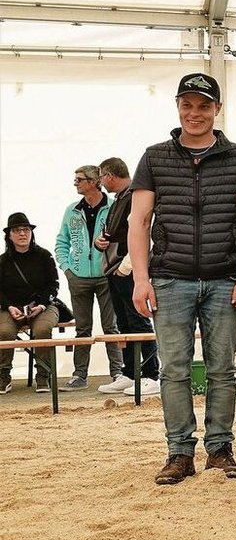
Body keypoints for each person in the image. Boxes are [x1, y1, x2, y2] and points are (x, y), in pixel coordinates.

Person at [128, 72, 236, 485]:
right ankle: (179, 452)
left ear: (217, 110)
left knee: (222, 369)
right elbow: (139, 220)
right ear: (178, 107)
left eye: (204, 105)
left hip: (225, 279)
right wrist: (140, 278)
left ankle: (220, 449)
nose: (195, 113)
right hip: (169, 279)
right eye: (187, 104)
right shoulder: (154, 157)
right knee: (174, 370)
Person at [54, 164, 124, 391]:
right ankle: (79, 375)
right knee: (82, 328)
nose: (76, 183)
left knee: (111, 326)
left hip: (107, 275)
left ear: (95, 182)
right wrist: (67, 269)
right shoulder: (71, 210)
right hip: (79, 277)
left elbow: (125, 239)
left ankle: (118, 374)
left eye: (80, 179)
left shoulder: (114, 206)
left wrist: (115, 265)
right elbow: (61, 242)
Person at [96, 157, 158, 394]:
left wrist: (129, 265)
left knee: (138, 320)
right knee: (123, 322)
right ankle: (131, 373)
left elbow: (146, 231)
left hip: (129, 269)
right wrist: (102, 241)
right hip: (115, 269)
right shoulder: (119, 199)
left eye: (102, 177)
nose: (102, 182)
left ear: (109, 176)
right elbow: (116, 232)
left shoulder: (136, 196)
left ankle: (152, 373)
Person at [0, 213, 60, 394]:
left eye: (26, 229)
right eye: (17, 230)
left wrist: (41, 305)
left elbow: (54, 285)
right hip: (10, 308)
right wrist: (9, 307)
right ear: (9, 235)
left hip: (42, 306)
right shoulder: (2, 261)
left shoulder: (44, 256)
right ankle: (3, 375)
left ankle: (43, 374)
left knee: (42, 329)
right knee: (4, 331)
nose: (22, 234)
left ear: (31, 233)